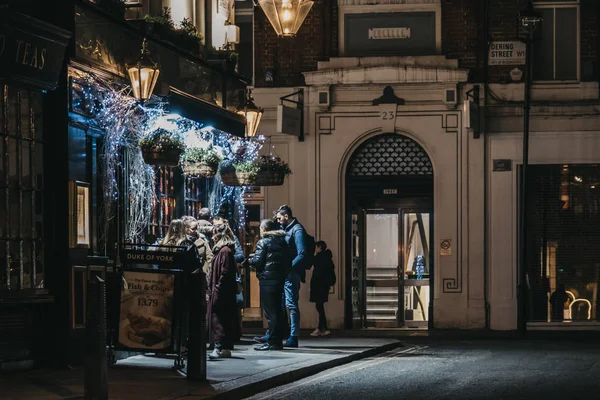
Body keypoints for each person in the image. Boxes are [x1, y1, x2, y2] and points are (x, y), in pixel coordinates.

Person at [248, 219, 291, 351]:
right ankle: (277, 340)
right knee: (277, 312)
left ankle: (272, 342)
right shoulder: (282, 241)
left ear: (264, 229)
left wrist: (249, 260)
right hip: (279, 280)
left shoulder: (263, 242)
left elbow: (258, 261)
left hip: (267, 281)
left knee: (270, 314)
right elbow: (287, 262)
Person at [274, 205, 310, 348]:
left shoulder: (297, 230)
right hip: (285, 272)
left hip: (291, 273)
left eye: (279, 218)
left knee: (291, 304)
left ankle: (293, 336)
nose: (278, 221)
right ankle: (281, 333)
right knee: (283, 303)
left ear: (286, 216)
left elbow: (302, 253)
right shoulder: (286, 229)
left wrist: (288, 267)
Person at [207, 223, 240, 359]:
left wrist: (218, 288)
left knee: (217, 318)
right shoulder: (225, 250)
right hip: (223, 291)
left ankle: (218, 347)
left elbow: (225, 272)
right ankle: (225, 347)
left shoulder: (224, 251)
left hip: (222, 292)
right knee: (224, 318)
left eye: (214, 234)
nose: (212, 237)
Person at [310, 241, 335, 337]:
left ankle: (323, 328)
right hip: (324, 285)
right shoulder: (327, 258)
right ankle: (321, 327)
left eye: (316, 247)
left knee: (319, 306)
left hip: (319, 285)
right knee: (320, 306)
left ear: (319, 247)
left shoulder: (319, 258)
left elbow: (318, 273)